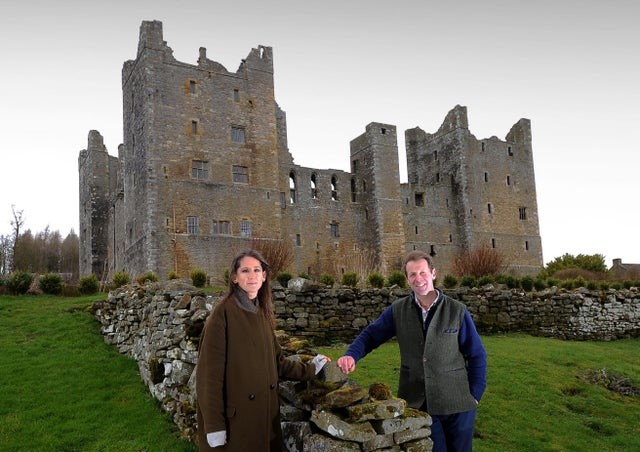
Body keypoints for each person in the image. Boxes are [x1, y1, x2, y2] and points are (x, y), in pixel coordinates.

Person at [337, 251, 487, 452]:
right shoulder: (398, 310)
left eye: (423, 273)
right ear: (407, 279)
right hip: (418, 403)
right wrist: (351, 354)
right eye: (413, 275)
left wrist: (475, 394)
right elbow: (371, 335)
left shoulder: (457, 311)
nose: (419, 279)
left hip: (458, 404)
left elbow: (476, 354)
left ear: (433, 273)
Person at [196, 249, 329, 451]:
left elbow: (278, 363)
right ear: (234, 277)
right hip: (238, 423)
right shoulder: (222, 315)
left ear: (264, 276)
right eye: (245, 270)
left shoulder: (261, 314)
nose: (252, 276)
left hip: (265, 417)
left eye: (257, 270)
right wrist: (214, 427)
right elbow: (208, 377)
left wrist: (312, 368)